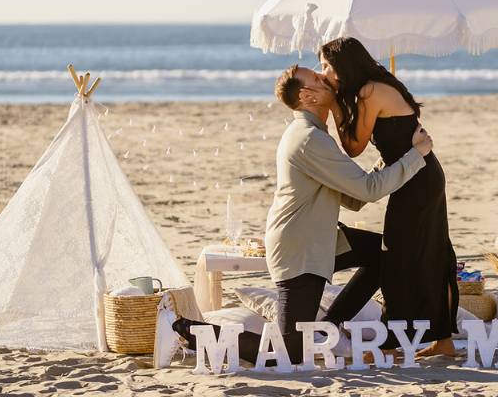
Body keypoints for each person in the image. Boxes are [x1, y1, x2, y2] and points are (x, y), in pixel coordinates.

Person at [172, 64, 434, 365]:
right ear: (308, 95)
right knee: (289, 352)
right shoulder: (309, 138)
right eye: (319, 79)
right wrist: (415, 157)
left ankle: (327, 328)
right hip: (299, 248)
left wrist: (390, 161)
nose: (328, 80)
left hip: (320, 239)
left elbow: (353, 197)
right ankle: (186, 330)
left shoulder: (313, 134)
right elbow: (369, 191)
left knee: (383, 256)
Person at [314, 36, 459, 358]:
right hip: (419, 176)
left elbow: (353, 147)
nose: (322, 72)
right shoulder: (374, 85)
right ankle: (443, 341)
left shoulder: (369, 92)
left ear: (342, 65)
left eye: (325, 65)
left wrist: (335, 104)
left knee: (399, 257)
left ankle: (393, 343)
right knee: (429, 254)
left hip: (417, 181)